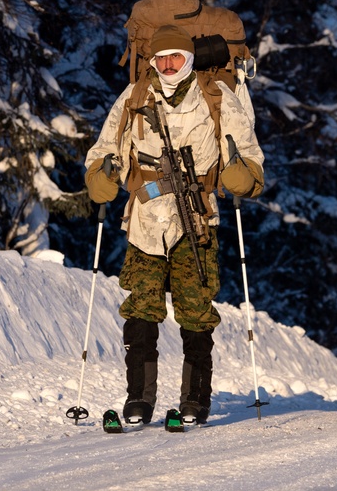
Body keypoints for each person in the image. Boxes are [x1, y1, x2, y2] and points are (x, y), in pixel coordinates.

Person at [84, 24, 264, 426]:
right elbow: (105, 147)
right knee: (141, 309)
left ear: (188, 60)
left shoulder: (217, 98)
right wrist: (102, 171)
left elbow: (251, 155)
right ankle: (139, 400)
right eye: (160, 58)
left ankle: (195, 401)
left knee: (196, 311)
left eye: (176, 58)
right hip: (145, 221)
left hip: (196, 219)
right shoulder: (133, 97)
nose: (167, 65)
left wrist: (242, 174)